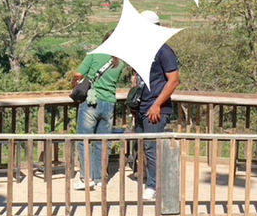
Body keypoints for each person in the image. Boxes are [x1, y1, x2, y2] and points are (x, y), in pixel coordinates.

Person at [134, 10, 180, 201]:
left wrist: (157, 105)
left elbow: (174, 80)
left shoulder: (164, 51)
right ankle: (151, 180)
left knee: (152, 148)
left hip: (156, 108)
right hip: (143, 106)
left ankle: (154, 186)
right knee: (145, 147)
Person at [72, 33, 125, 190]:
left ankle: (86, 177)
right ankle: (101, 178)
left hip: (91, 101)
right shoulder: (120, 63)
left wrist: (74, 84)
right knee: (103, 142)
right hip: (109, 103)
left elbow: (78, 74)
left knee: (84, 140)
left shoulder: (94, 55)